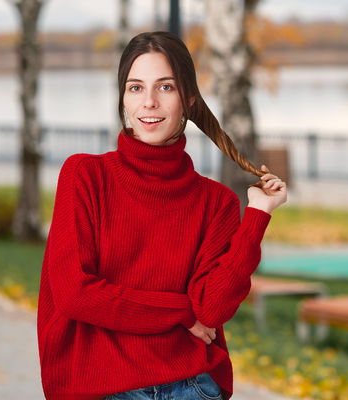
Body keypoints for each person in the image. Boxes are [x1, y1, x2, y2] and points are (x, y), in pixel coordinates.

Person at [37, 31, 287, 400]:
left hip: (192, 385)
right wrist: (183, 311)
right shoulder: (84, 176)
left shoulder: (214, 201)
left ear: (188, 98)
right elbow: (75, 294)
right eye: (135, 88)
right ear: (123, 98)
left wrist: (258, 214)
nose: (149, 102)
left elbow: (213, 310)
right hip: (103, 387)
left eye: (165, 87)